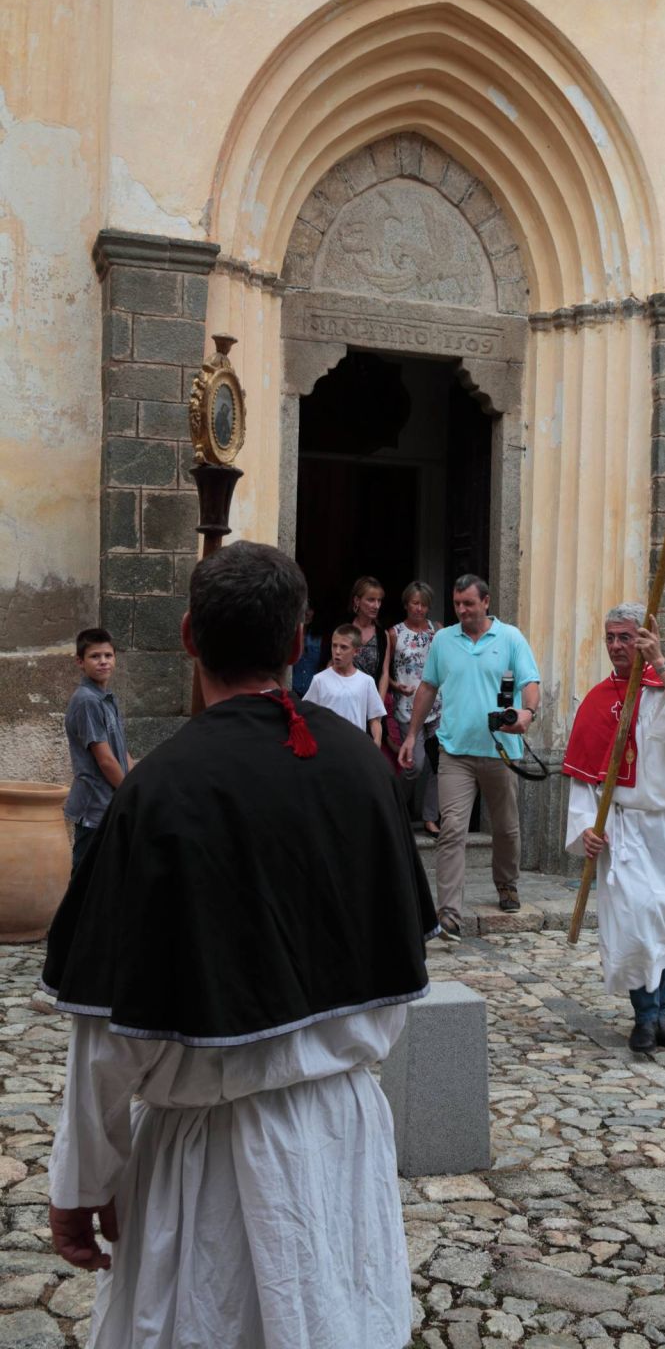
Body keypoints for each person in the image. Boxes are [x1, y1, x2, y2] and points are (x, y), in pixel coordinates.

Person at [43, 540, 437, 1349]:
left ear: (188, 635)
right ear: (298, 644)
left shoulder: (157, 791)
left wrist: (82, 1180)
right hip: (340, 1135)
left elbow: (108, 1034)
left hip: (206, 1158)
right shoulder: (364, 772)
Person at [563, 603, 665, 1055]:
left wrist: (661, 664)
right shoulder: (596, 700)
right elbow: (582, 778)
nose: (616, 646)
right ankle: (645, 1018)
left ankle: (661, 1013)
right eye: (610, 637)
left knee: (664, 921)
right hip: (625, 829)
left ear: (645, 637)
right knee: (636, 923)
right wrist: (585, 828)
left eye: (625, 637)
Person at [398, 574, 540, 939]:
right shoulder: (444, 640)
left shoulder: (510, 638)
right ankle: (448, 913)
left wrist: (527, 714)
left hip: (500, 752)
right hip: (455, 752)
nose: (461, 610)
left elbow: (530, 683)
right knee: (451, 832)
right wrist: (412, 735)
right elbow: (428, 687)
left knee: (506, 828)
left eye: (468, 604)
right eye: (457, 604)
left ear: (486, 601)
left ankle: (507, 884)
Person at [63, 628, 133, 874]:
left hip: (111, 804)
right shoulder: (87, 700)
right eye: (95, 656)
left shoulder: (107, 698)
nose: (103, 661)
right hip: (95, 808)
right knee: (85, 880)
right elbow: (105, 760)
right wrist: (130, 794)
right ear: (80, 662)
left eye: (108, 655)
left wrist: (138, 783)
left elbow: (121, 752)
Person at [389, 580, 442, 836]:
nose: (419, 609)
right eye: (415, 603)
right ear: (406, 604)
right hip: (408, 708)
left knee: (440, 764)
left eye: (424, 604)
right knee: (414, 764)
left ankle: (431, 817)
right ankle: (395, 810)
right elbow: (383, 671)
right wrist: (395, 685)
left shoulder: (437, 631)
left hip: (437, 707)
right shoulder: (394, 633)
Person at [303, 622, 387, 746]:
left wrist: (377, 742)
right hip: (328, 747)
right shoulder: (319, 680)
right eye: (334, 646)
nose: (337, 651)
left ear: (356, 651)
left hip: (357, 747)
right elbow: (307, 714)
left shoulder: (366, 681)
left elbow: (375, 719)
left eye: (343, 647)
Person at [348, 574, 391, 702]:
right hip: (346, 700)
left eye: (379, 601)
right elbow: (332, 664)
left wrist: (378, 706)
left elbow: (384, 673)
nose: (376, 605)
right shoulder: (344, 629)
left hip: (371, 701)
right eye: (371, 600)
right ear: (357, 601)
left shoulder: (383, 635)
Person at [290, 602, 323, 696]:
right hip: (292, 693)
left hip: (314, 693)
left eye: (310, 609)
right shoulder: (288, 637)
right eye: (303, 609)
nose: (307, 613)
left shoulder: (321, 639)